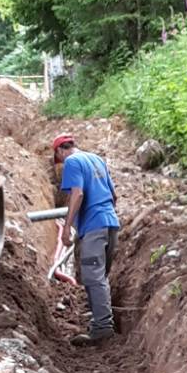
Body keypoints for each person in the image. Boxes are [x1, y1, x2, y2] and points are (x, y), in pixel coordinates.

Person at [53, 132, 120, 346]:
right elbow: (114, 195)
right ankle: (100, 319)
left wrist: (66, 227)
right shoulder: (97, 160)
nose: (61, 164)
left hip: (94, 226)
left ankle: (102, 327)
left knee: (93, 276)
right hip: (110, 224)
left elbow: (78, 194)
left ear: (60, 150)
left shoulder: (72, 161)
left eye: (59, 159)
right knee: (99, 274)